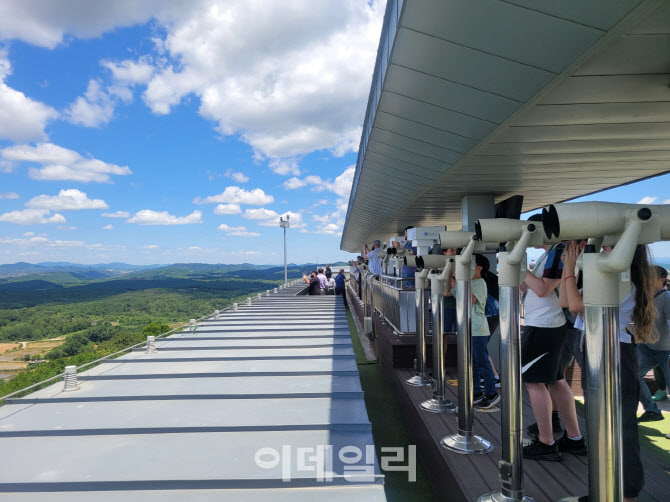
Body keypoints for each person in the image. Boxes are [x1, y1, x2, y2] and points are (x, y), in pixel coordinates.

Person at [563, 245, 657, 502]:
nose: (604, 247)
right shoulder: (611, 273)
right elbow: (564, 300)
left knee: (621, 429)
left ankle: (626, 495)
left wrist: (570, 267)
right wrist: (567, 268)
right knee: (603, 426)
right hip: (600, 352)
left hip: (613, 353)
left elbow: (574, 305)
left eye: (611, 244)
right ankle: (606, 491)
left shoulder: (619, 275)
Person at [521, 241, 585, 461]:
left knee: (534, 382)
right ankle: (574, 438)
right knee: (556, 380)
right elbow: (528, 286)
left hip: (544, 326)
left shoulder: (558, 252)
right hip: (545, 325)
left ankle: (546, 442)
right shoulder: (548, 254)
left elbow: (542, 289)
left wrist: (518, 268)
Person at [445, 253, 499, 409]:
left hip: (478, 328)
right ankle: (476, 393)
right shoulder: (466, 282)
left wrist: (461, 279)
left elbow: (470, 300)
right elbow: (447, 292)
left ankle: (491, 393)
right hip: (468, 327)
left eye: (471, 264)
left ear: (480, 268)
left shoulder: (480, 282)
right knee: (472, 362)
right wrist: (450, 274)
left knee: (482, 361)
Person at [636, 265, 670, 422]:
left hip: (666, 351)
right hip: (647, 348)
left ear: (661, 280)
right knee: (633, 375)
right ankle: (652, 410)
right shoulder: (646, 297)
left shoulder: (667, 297)